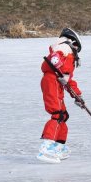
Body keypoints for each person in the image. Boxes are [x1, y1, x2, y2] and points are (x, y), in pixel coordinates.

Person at [37, 28, 84, 164]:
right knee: (57, 114)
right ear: (72, 41)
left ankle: (58, 146)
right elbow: (54, 60)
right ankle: (47, 146)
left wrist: (78, 96)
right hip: (51, 81)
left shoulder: (70, 55)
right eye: (76, 46)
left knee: (64, 115)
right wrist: (58, 70)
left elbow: (69, 80)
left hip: (56, 82)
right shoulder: (64, 47)